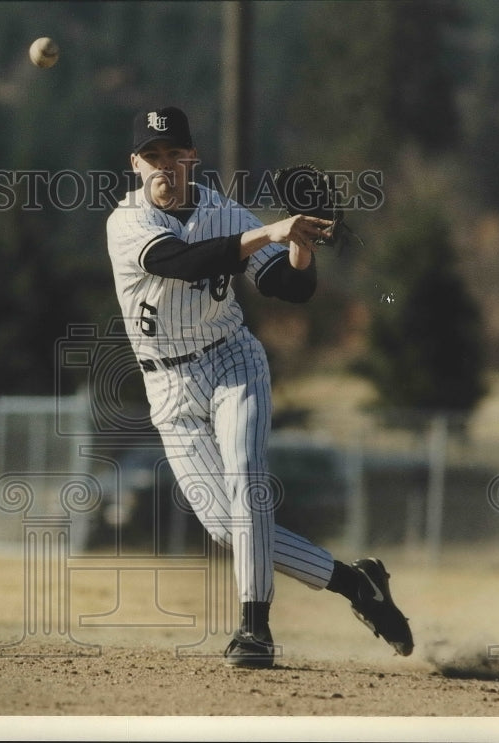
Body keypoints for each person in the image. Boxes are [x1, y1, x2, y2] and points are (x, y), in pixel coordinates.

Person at [105, 106, 414, 668]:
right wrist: (271, 228)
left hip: (232, 364)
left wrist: (300, 245)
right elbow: (180, 261)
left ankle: (255, 632)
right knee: (228, 527)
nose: (164, 167)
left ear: (191, 159)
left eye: (174, 155)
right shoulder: (128, 223)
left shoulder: (224, 211)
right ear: (134, 163)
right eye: (152, 156)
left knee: (247, 489)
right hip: (169, 391)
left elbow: (288, 288)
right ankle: (357, 584)